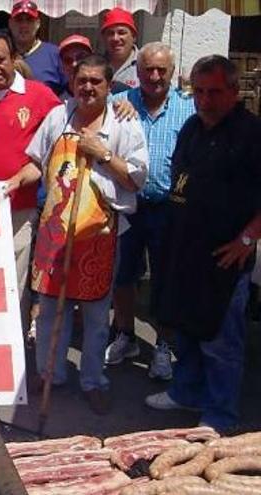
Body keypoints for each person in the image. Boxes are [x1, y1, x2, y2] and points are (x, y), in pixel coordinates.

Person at [26, 55, 148, 415]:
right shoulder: (57, 118)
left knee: (96, 317)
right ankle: (50, 374)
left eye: (96, 81)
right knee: (50, 311)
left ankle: (94, 381)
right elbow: (36, 163)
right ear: (73, 83)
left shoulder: (124, 124)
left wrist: (103, 153)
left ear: (110, 86)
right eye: (82, 81)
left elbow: (136, 179)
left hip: (100, 237)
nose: (88, 87)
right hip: (55, 235)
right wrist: (7, 187)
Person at [146, 55, 261, 431]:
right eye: (199, 92)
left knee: (221, 341)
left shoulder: (250, 133)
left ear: (232, 91)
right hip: (186, 250)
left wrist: (248, 238)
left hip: (226, 257)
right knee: (187, 328)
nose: (206, 100)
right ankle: (186, 392)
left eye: (214, 92)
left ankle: (219, 414)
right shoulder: (193, 127)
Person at [106, 42, 196, 380]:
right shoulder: (121, 105)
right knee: (123, 275)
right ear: (137, 72)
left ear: (172, 72)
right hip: (130, 205)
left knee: (165, 279)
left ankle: (163, 344)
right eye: (148, 70)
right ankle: (126, 335)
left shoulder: (187, 108)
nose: (154, 76)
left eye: (161, 70)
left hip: (170, 208)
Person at [0, 30, 61, 327]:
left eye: (0, 59)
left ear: (14, 59)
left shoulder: (39, 94)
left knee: (15, 285)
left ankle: (14, 351)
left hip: (19, 207)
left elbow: (70, 121)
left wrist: (122, 103)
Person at [8, 0, 67, 95]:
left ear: (38, 24)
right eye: (19, 20)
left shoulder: (55, 54)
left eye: (29, 20)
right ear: (10, 23)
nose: (24, 25)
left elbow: (68, 92)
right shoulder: (2, 54)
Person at [101, 8, 140, 94]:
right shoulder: (96, 65)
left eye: (121, 32)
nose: (116, 38)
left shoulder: (145, 64)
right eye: (110, 33)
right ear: (103, 38)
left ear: (133, 37)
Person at [57, 35, 93, 100]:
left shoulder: (105, 94)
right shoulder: (57, 98)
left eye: (80, 57)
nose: (74, 64)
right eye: (68, 60)